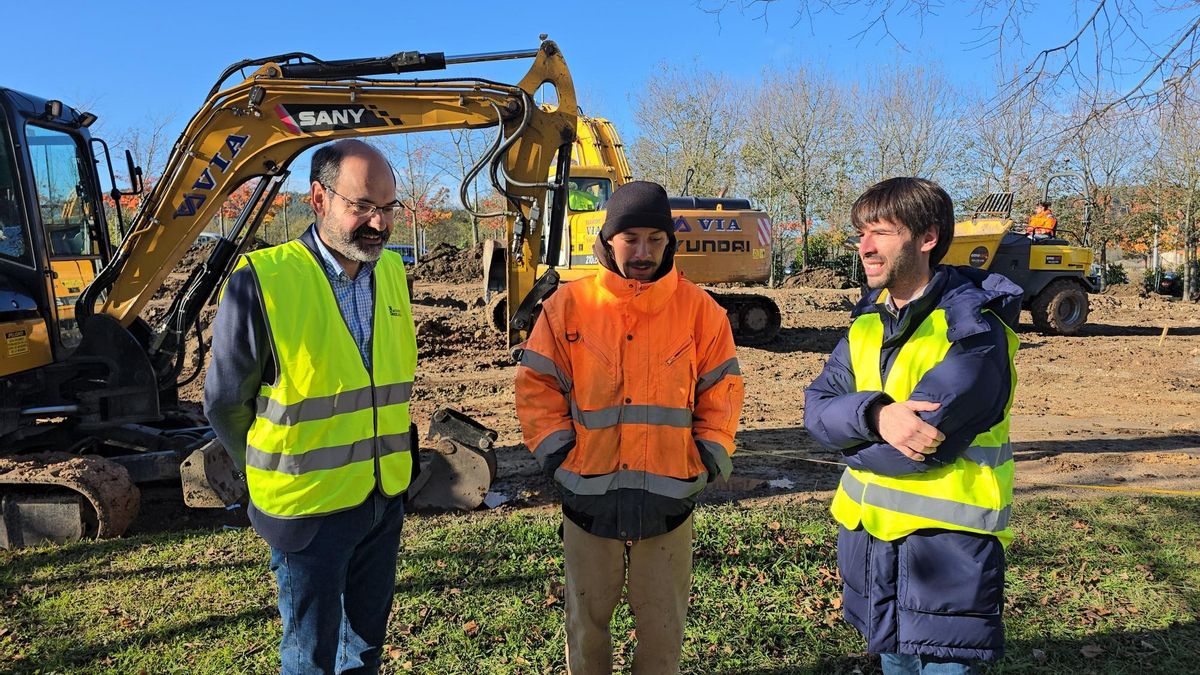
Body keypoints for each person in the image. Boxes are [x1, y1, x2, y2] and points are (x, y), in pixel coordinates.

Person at [204, 139, 416, 674]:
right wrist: (264, 471)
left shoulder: (391, 273)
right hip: (307, 513)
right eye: (362, 206)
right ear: (317, 199)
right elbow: (226, 403)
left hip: (381, 498)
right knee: (311, 658)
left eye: (388, 208)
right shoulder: (264, 280)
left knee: (365, 649)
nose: (379, 223)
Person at [515, 181, 744, 674]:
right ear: (608, 238)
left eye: (655, 239)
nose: (643, 252)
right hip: (588, 498)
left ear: (670, 242)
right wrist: (558, 457)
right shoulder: (566, 308)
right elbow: (536, 387)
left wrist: (706, 458)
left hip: (668, 503)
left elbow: (722, 393)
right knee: (586, 627)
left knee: (663, 633)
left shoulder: (701, 311)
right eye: (631, 238)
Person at [804, 177, 1022, 674]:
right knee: (895, 665)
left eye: (881, 232)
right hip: (872, 545)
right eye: (861, 233)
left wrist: (848, 437)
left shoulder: (974, 329)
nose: (865, 246)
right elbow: (815, 410)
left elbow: (920, 447)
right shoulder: (867, 323)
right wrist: (876, 415)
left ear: (927, 238)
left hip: (947, 551)